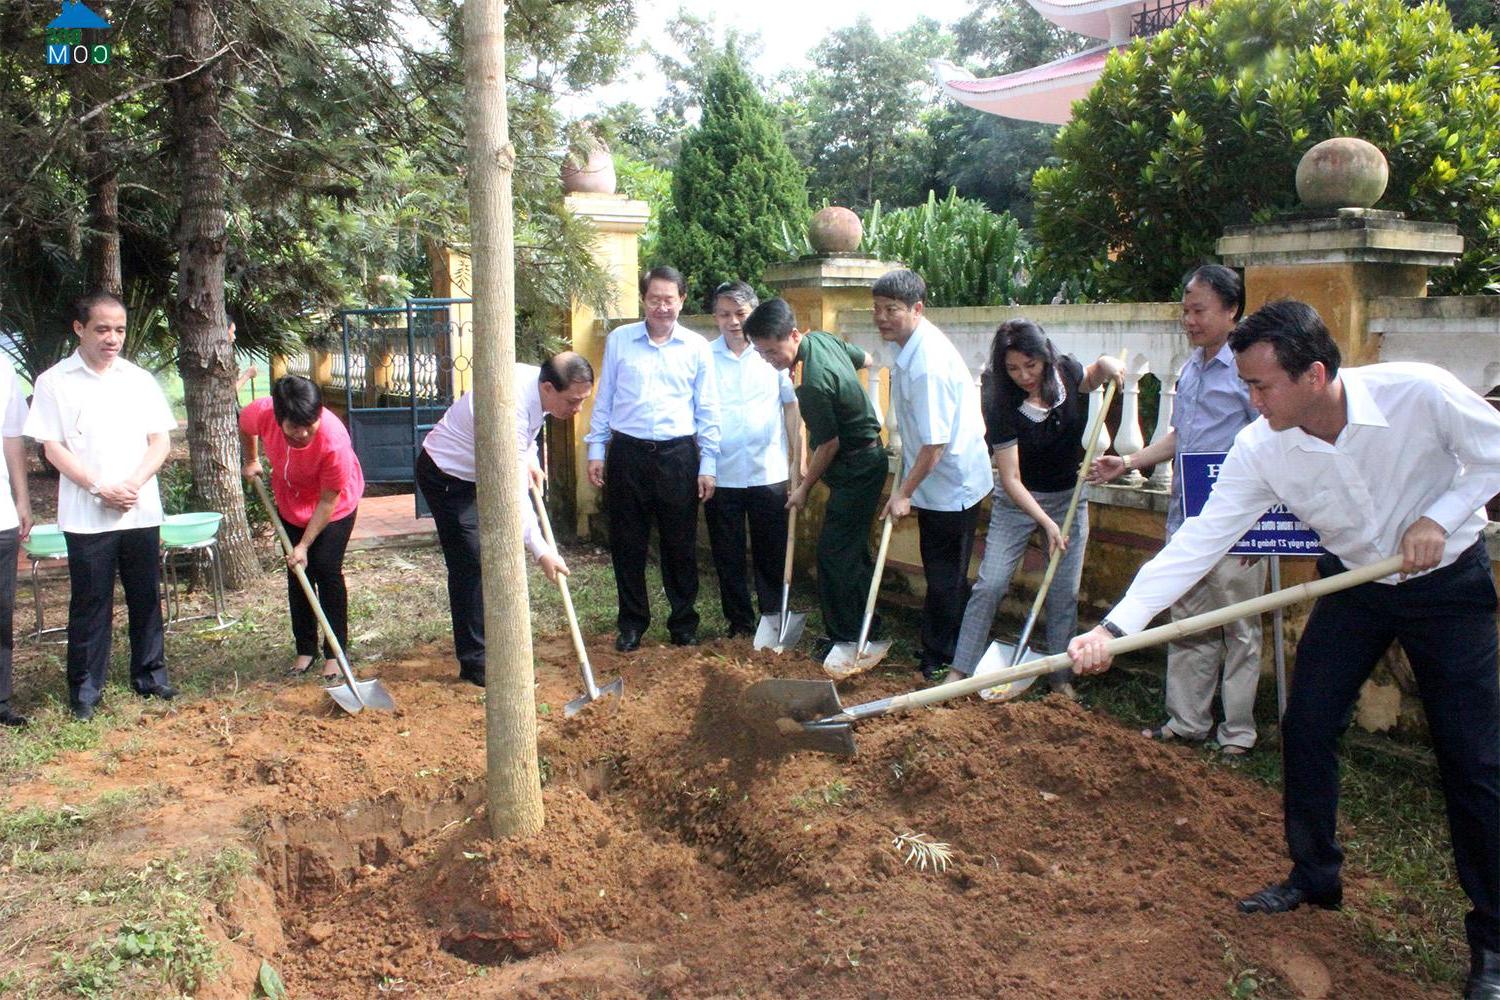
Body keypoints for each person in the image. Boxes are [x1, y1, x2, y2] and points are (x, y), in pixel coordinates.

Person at [1066, 300, 1500, 1000]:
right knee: (1306, 724)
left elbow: (1495, 454)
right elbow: (1199, 544)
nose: (1250, 399)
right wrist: (1116, 628)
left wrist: (1439, 517)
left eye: (1262, 386)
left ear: (1316, 373)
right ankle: (1315, 875)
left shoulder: (1418, 392)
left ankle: (1494, 942)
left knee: (1473, 757)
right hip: (1355, 583)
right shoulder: (1262, 446)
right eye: (1245, 384)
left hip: (1446, 582)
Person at [1090, 264, 1265, 754]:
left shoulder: (1249, 371)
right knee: (1188, 623)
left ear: (1232, 311)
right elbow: (1181, 437)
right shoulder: (1190, 369)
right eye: (1185, 310)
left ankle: (1237, 734)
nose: (1189, 320)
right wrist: (1126, 461)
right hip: (1188, 518)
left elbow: (1274, 443)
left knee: (1240, 627)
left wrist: (1263, 527)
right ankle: (1186, 722)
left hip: (1236, 526)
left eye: (1199, 310)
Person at [945, 320, 1121, 696]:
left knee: (1063, 592)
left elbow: (1091, 377)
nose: (1023, 375)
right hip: (1017, 502)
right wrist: (1044, 522)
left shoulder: (1067, 372)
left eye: (1030, 365)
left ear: (1044, 357)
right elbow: (1010, 478)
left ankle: (1060, 677)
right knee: (990, 584)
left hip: (1069, 498)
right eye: (1013, 368)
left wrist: (1106, 364)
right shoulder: (1000, 402)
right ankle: (959, 672)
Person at [24, 291, 177, 721]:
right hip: (87, 514)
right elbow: (52, 448)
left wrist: (132, 484)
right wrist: (99, 487)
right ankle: (86, 690)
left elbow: (160, 440)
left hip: (139, 507)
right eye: (103, 329)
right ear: (80, 329)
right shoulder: (55, 381)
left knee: (146, 595)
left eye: (120, 330)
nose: (113, 338)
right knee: (91, 601)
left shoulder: (138, 379)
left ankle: (150, 676)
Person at [417, 353, 594, 685]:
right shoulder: (507, 407)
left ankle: (501, 644)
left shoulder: (534, 386)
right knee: (472, 563)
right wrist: (541, 550)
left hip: (485, 469)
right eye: (573, 401)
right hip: (449, 477)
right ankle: (476, 662)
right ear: (548, 387)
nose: (578, 409)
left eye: (583, 401)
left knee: (497, 556)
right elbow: (514, 493)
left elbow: (526, 434)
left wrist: (530, 458)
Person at [585, 265, 720, 652]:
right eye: (654, 299)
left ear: (682, 300)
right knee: (627, 542)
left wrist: (707, 464)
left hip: (678, 455)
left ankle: (683, 623)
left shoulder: (697, 347)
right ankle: (631, 623)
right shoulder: (619, 341)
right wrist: (597, 449)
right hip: (627, 453)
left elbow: (707, 410)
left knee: (679, 543)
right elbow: (605, 398)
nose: (662, 307)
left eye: (669, 299)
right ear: (643, 300)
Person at [744, 298, 885, 658]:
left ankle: (846, 637)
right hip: (867, 458)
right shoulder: (821, 340)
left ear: (793, 335)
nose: (769, 359)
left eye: (773, 351)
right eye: (761, 353)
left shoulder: (810, 383)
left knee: (833, 555)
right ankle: (867, 626)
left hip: (856, 466)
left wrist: (804, 488)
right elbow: (865, 360)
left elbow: (829, 445)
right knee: (851, 550)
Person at [873, 269, 992, 681]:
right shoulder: (910, 348)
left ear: (917, 309)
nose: (882, 317)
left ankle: (941, 655)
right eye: (877, 309)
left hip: (952, 483)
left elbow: (934, 446)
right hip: (937, 478)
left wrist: (902, 493)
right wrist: (904, 487)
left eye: (892, 309)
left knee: (945, 574)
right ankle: (941, 646)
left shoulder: (927, 364)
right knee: (941, 568)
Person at [240, 376, 365, 679]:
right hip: (290, 502)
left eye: (310, 423)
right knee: (298, 573)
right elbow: (245, 425)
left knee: (325, 568)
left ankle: (335, 653)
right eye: (295, 427)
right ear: (279, 417)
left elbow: (328, 500)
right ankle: (305, 649)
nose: (304, 432)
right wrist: (252, 459)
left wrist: (305, 545)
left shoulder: (334, 442)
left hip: (334, 507)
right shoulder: (264, 412)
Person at [704, 281, 800, 639]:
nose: (733, 322)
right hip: (721, 473)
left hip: (768, 472)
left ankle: (773, 616)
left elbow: (791, 408)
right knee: (727, 553)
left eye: (740, 314)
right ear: (715, 317)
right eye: (725, 314)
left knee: (771, 551)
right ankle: (739, 622)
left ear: (753, 314)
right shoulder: (704, 356)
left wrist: (796, 461)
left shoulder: (771, 355)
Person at [0, 356, 31, 727]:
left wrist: (21, 497)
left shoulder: (2, 365)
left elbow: (11, 435)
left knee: (1, 611)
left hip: (1, 517)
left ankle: (1, 700)